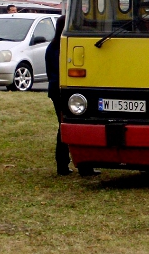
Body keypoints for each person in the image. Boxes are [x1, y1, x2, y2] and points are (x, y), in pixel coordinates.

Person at [45, 15, 99, 177]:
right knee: (66, 128)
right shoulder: (62, 48)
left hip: (57, 91)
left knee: (64, 127)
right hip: (64, 92)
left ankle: (68, 164)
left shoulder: (53, 47)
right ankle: (75, 165)